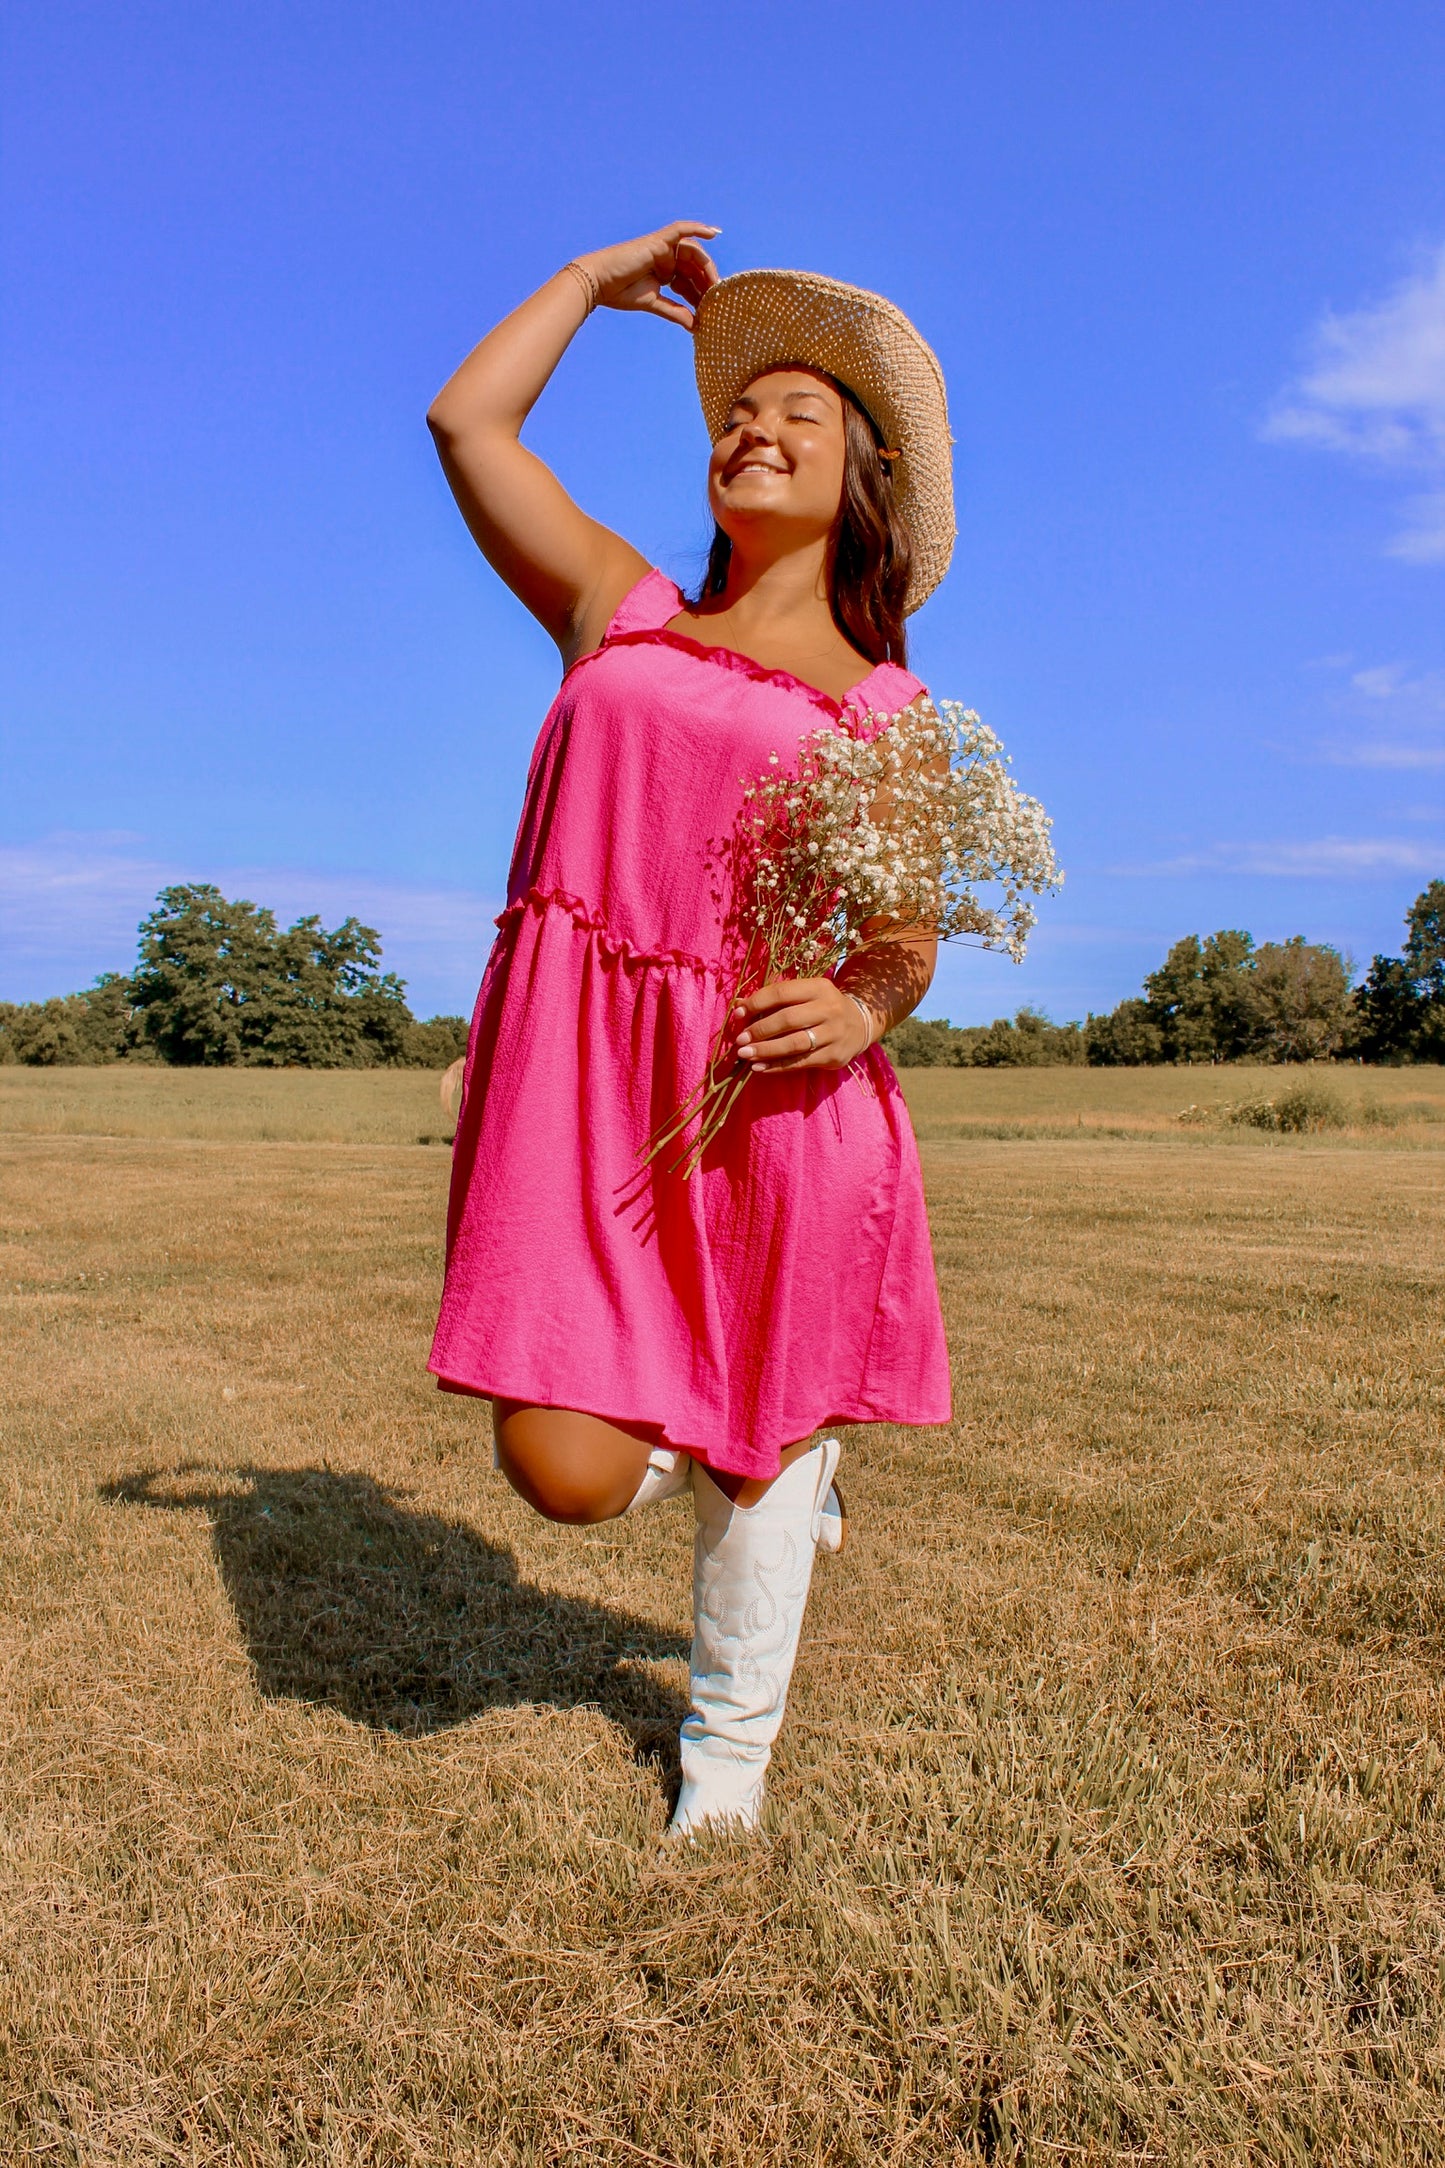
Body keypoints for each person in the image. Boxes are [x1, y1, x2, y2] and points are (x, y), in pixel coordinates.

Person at [426, 222, 954, 1837]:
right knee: (562, 1473)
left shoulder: (886, 711)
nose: (756, 425)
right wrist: (586, 285)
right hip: (583, 1093)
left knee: (754, 1451)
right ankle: (778, 1460)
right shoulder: (621, 611)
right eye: (739, 408)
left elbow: (905, 945)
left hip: (773, 1105)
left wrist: (856, 1006)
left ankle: (722, 1766)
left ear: (861, 472)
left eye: (801, 411)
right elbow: (468, 427)